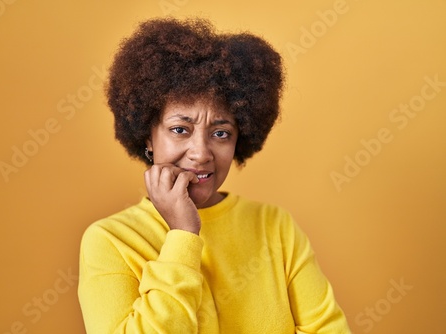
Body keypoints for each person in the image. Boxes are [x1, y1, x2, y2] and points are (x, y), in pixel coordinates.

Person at [78, 17, 351, 333]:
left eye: (220, 133)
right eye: (180, 130)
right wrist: (183, 234)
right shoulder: (110, 241)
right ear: (148, 138)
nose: (202, 153)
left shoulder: (276, 227)